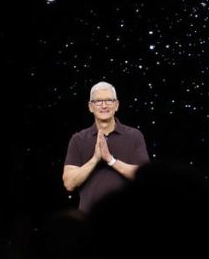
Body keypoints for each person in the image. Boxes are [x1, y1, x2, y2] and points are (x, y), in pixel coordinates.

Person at [63, 81, 150, 213]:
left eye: (109, 100)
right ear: (90, 107)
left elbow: (145, 177)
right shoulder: (78, 139)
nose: (104, 105)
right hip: (89, 218)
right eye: (98, 101)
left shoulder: (134, 136)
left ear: (116, 105)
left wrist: (110, 159)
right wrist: (95, 159)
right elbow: (69, 183)